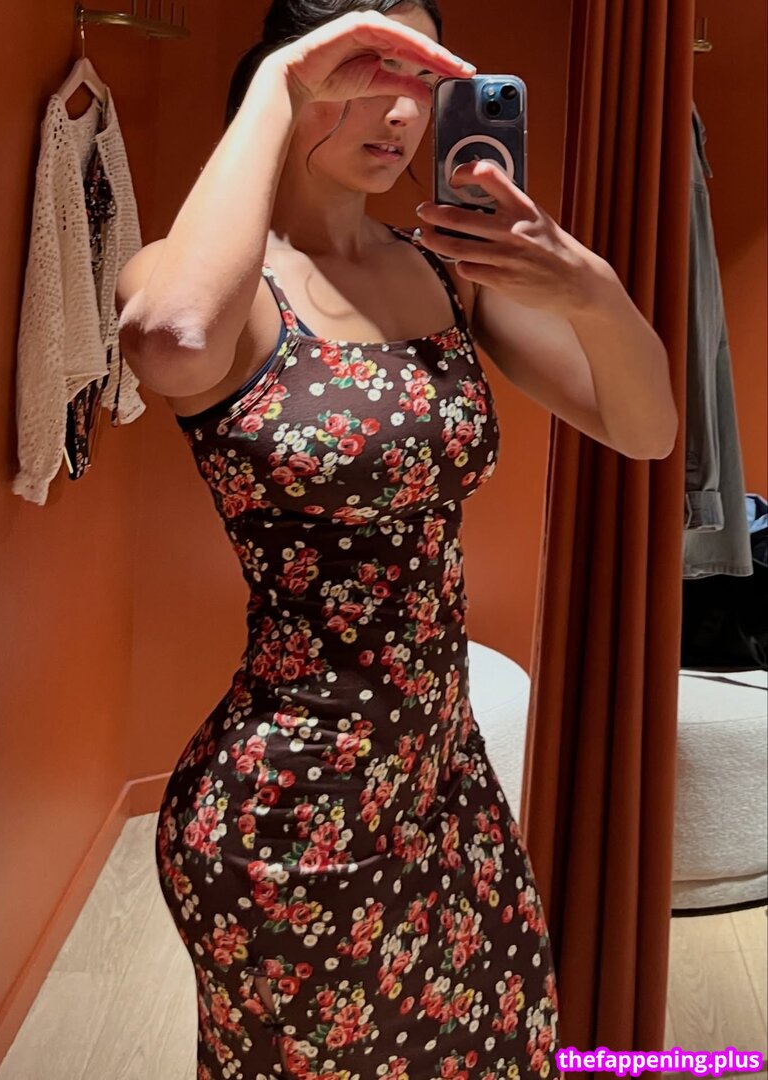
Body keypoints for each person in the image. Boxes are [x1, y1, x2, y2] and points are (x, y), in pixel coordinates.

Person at [115, 2, 564, 1077]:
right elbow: (174, 337)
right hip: (291, 813)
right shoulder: (208, 284)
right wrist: (279, 83)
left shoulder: (439, 269)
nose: (403, 110)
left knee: (513, 1044)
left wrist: (579, 283)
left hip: (445, 781)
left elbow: (644, 427)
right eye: (365, 70)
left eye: (423, 80)